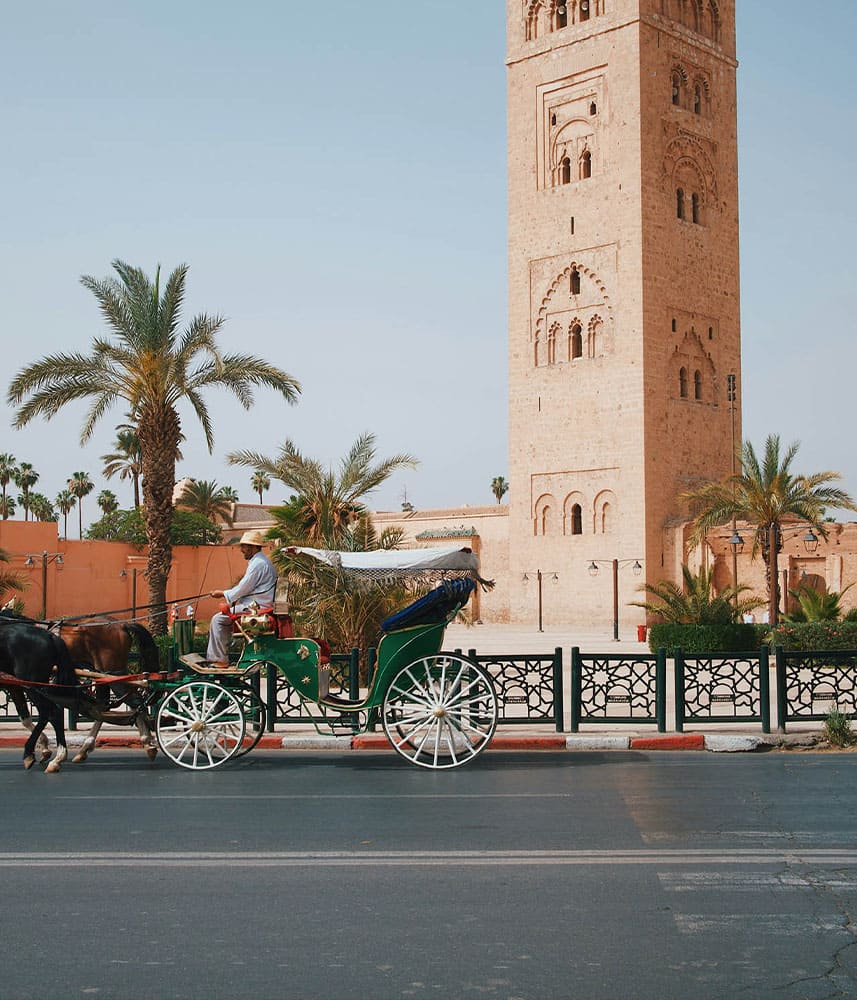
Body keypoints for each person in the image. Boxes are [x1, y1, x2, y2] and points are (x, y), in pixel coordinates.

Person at [206, 529, 278, 668]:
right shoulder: (260, 562)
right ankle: (222, 655)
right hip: (258, 604)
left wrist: (222, 593)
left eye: (244, 546)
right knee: (221, 619)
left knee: (218, 620)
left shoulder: (259, 564)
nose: (241, 550)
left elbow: (243, 588)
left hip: (256, 607)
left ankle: (219, 659)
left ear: (252, 547)